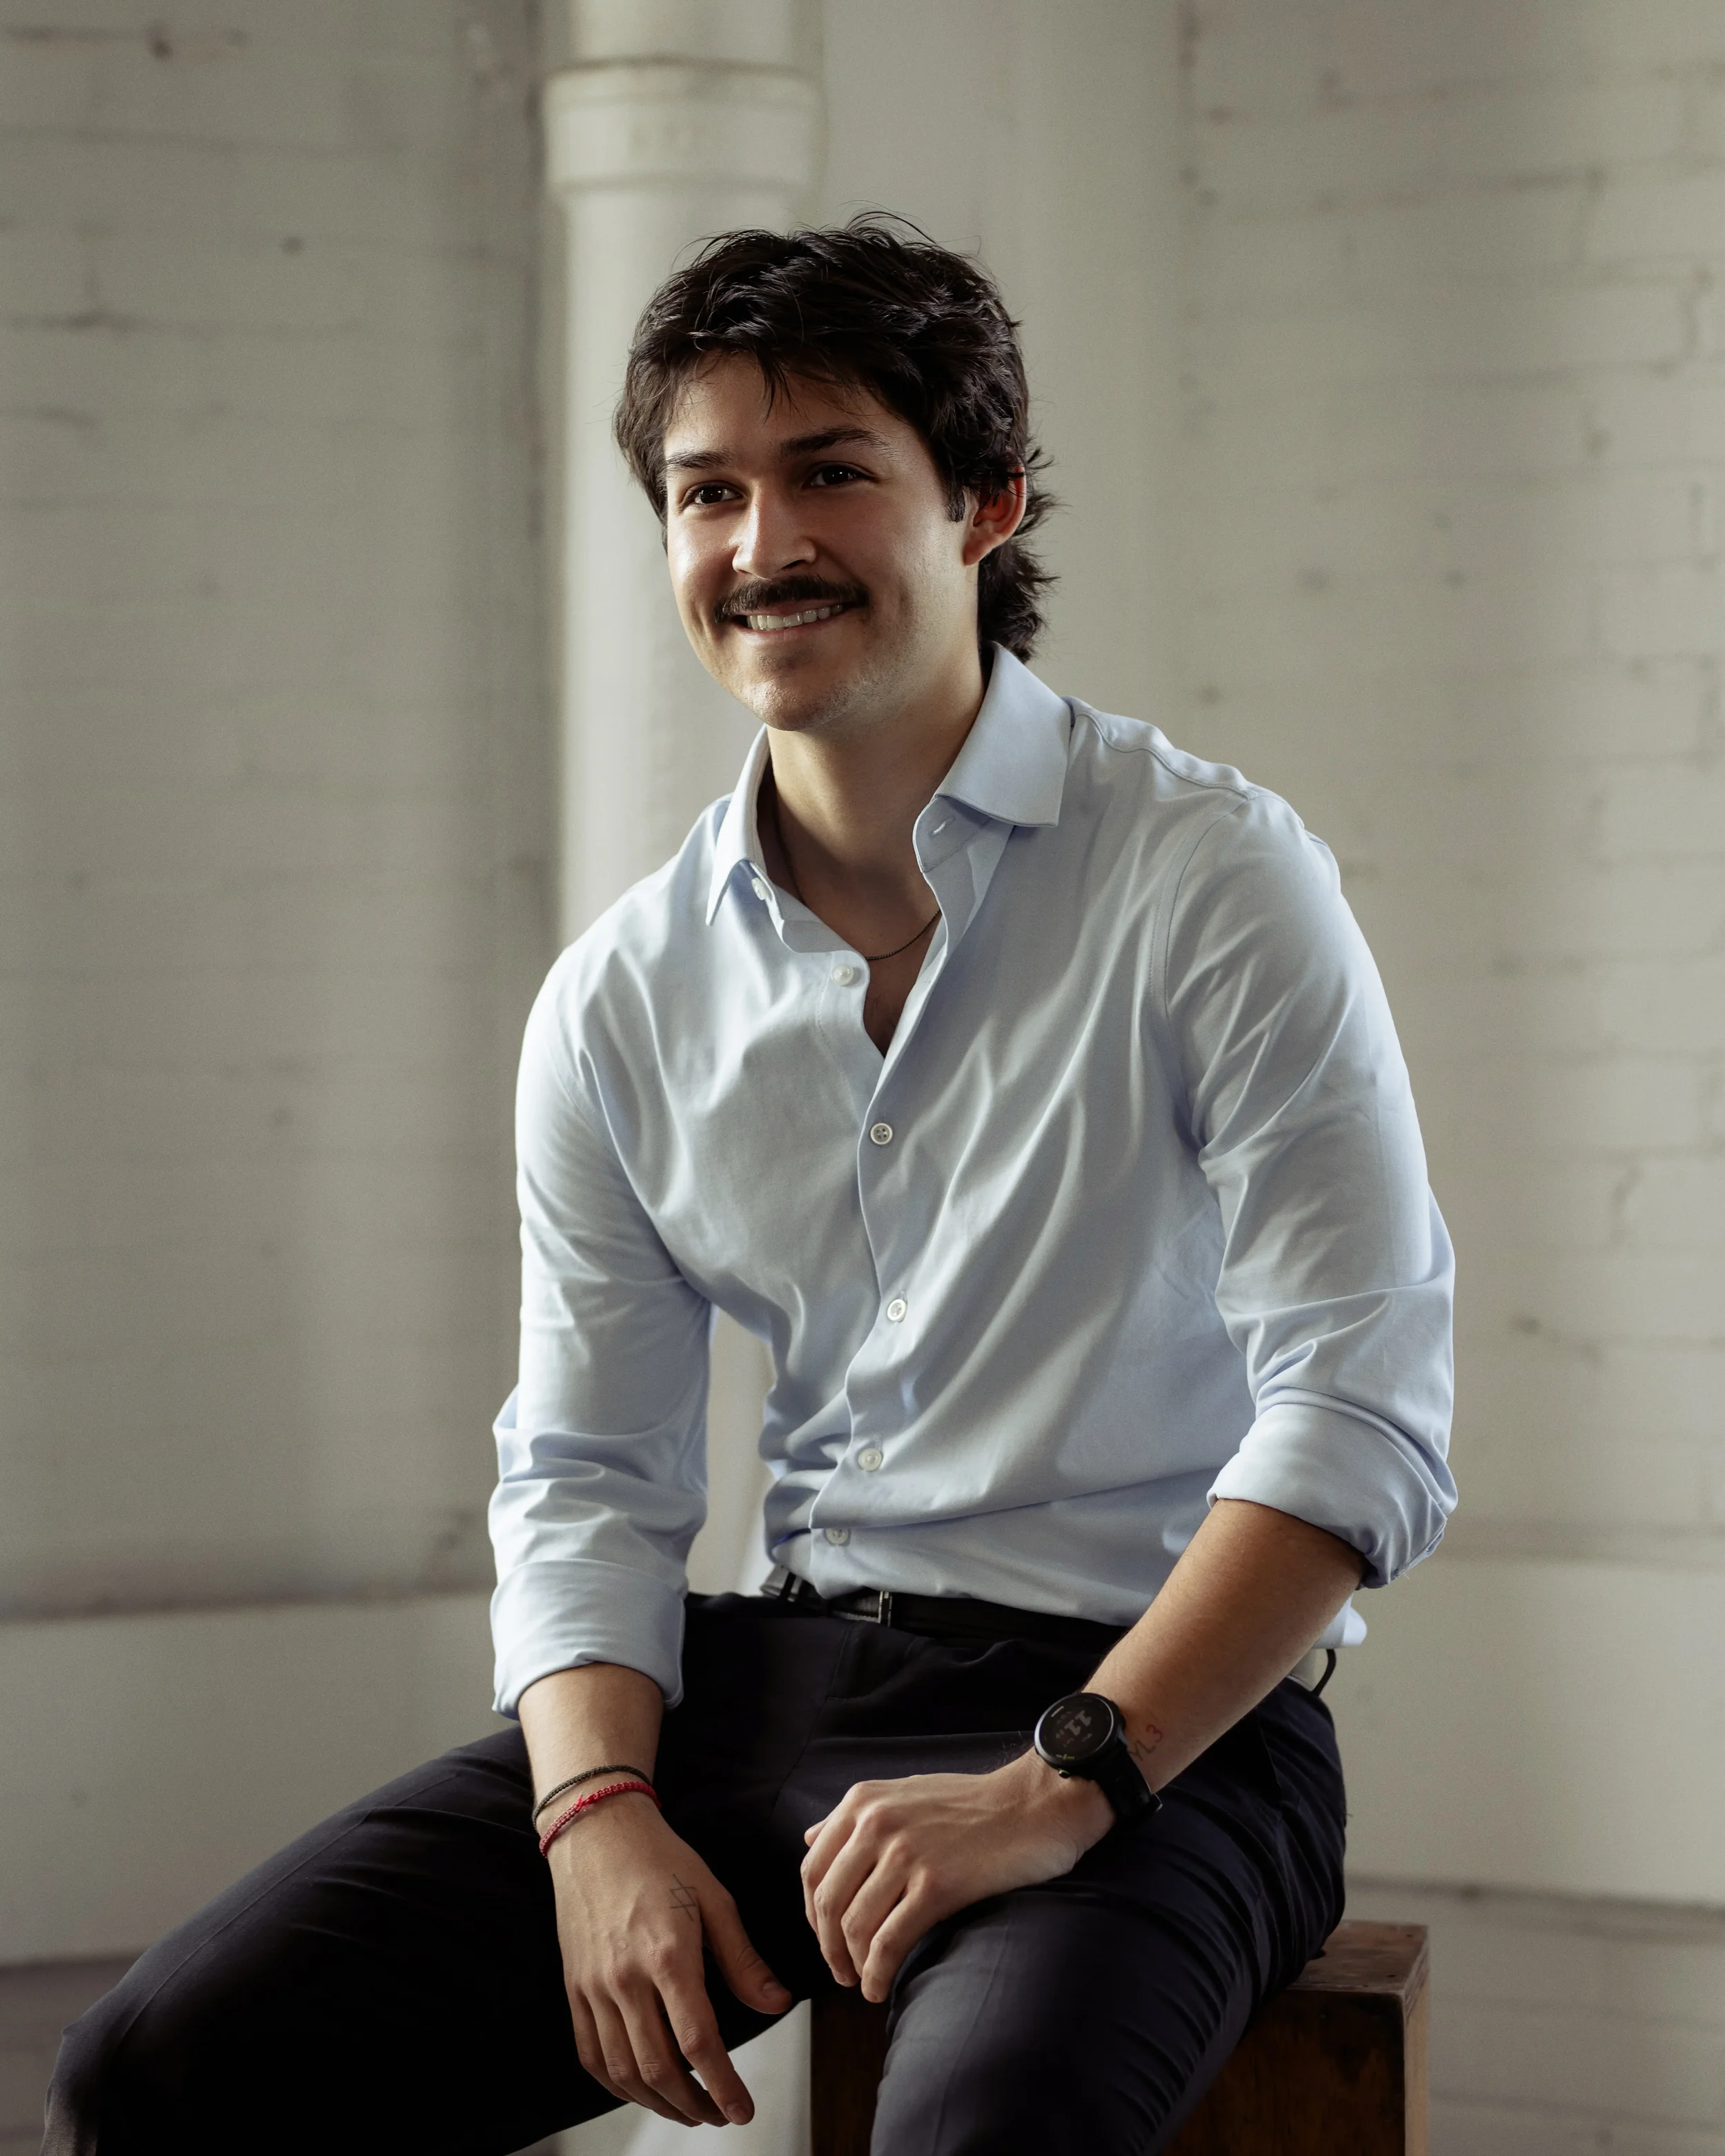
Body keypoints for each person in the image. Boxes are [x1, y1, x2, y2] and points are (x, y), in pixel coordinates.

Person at [46, 216, 1455, 2156]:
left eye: (829, 472)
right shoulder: (622, 996)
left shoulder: (1210, 877)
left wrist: (1056, 1778)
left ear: (984, 502)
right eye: (706, 490)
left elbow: (1358, 1409)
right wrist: (597, 1813)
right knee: (163, 2072)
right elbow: (587, 1475)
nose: (760, 543)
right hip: (763, 1688)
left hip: (1161, 1724)